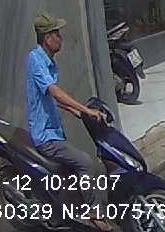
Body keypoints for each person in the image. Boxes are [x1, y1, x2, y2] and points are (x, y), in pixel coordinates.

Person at [26, 13, 113, 231]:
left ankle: (75, 208)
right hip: (45, 137)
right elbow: (55, 92)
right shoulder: (36, 59)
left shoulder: (48, 62)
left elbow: (50, 99)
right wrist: (85, 110)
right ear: (47, 38)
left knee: (82, 166)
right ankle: (95, 214)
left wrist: (78, 112)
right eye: (57, 34)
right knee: (86, 163)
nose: (61, 38)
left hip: (54, 132)